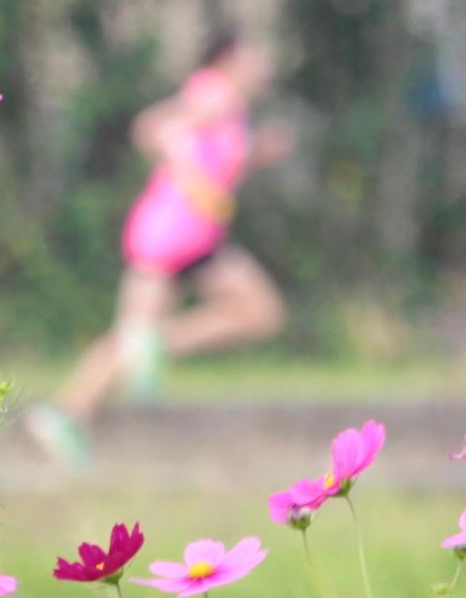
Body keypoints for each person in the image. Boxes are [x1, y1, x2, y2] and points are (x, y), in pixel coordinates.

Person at [28, 30, 291, 465]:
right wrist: (183, 167)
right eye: (255, 55)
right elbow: (152, 128)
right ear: (229, 59)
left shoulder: (227, 106)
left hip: (196, 234)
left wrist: (256, 152)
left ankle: (138, 357)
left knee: (256, 313)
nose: (263, 64)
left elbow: (212, 153)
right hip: (171, 230)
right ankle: (65, 413)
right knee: (133, 336)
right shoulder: (216, 93)